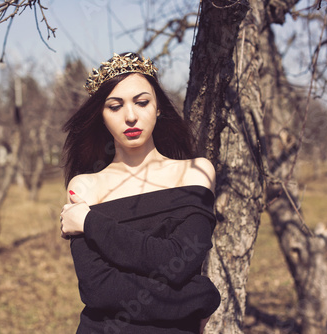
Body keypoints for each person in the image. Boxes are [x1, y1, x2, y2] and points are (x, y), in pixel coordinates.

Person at [60, 52, 220, 334]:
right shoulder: (84, 186)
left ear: (158, 107)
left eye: (142, 102)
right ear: (101, 115)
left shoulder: (196, 172)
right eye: (115, 106)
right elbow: (100, 290)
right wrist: (200, 297)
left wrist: (89, 222)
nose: (131, 116)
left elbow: (177, 261)